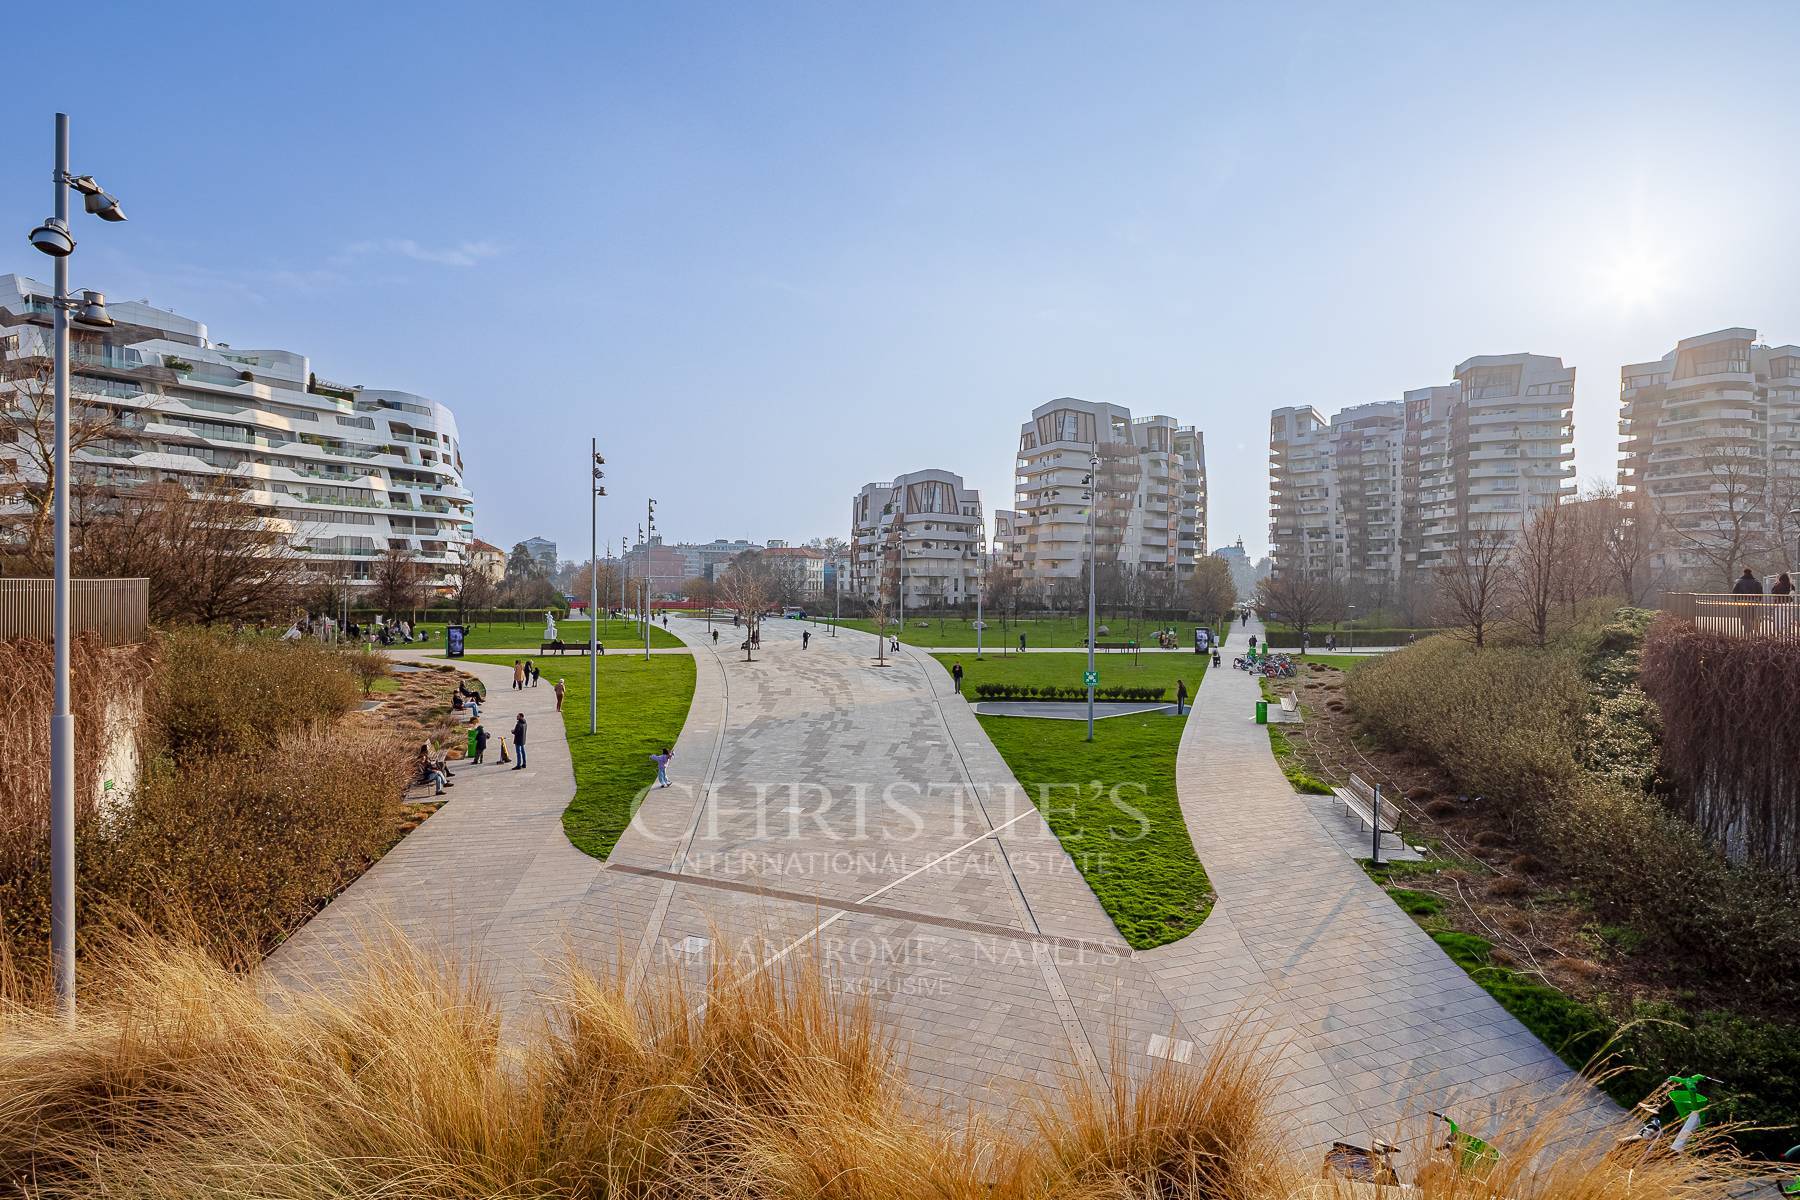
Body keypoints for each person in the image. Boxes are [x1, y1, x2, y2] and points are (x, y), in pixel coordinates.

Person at [1733, 566, 1764, 634]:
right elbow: (1760, 592)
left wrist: (1735, 600)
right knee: (1751, 615)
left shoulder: (1739, 581)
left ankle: (1747, 629)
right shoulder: (1756, 582)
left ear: (1744, 573)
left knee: (1743, 616)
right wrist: (1758, 601)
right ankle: (1752, 627)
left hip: (1741, 602)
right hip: (1752, 602)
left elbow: (1734, 592)